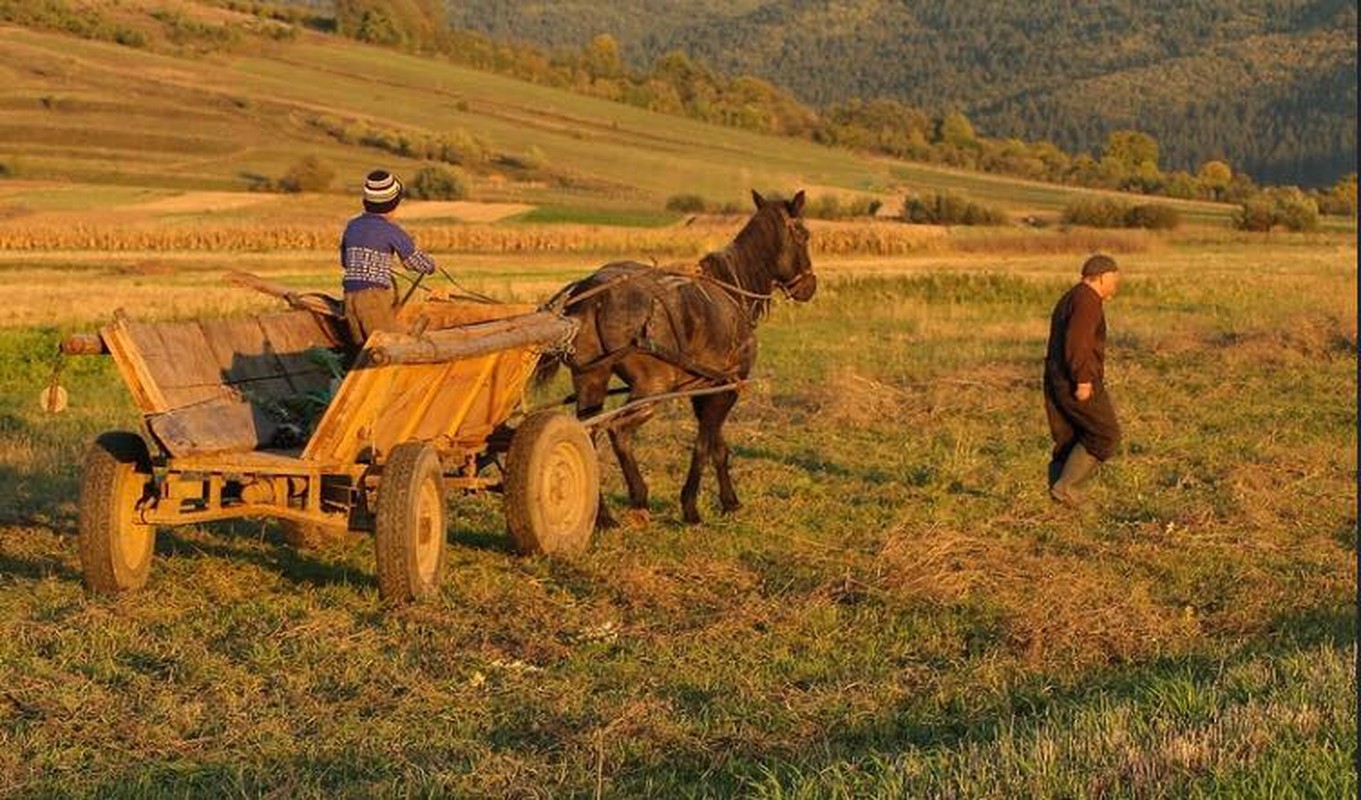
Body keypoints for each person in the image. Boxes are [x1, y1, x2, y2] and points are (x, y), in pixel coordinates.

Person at [1044, 253, 1123, 505]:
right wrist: (1083, 380)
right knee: (1105, 433)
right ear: (1101, 277)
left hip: (1059, 377)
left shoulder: (1075, 296)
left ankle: (1057, 497)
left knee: (1070, 436)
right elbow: (1079, 342)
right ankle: (1067, 488)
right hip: (1075, 379)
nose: (1116, 285)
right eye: (1114, 279)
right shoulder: (1087, 301)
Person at [339, 169, 437, 346]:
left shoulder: (352, 225)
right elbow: (413, 262)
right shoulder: (391, 230)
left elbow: (346, 262)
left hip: (349, 297)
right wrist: (431, 266)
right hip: (373, 297)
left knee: (362, 347)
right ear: (393, 204)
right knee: (387, 345)